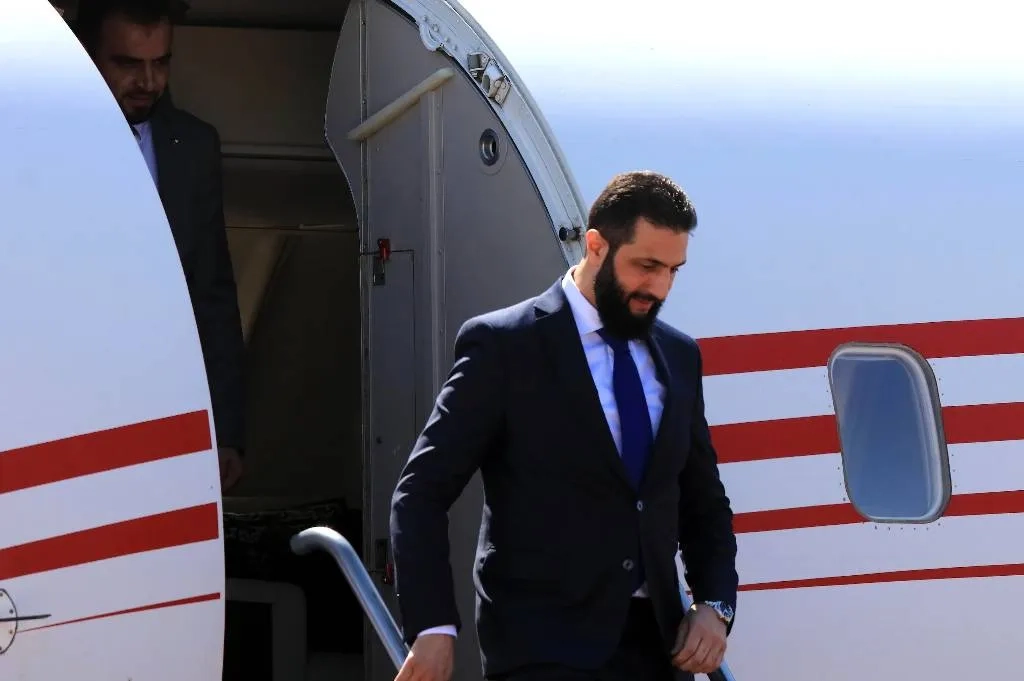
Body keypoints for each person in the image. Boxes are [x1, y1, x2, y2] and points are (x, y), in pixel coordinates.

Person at [389, 170, 739, 681]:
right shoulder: (504, 346)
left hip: (658, 651)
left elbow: (704, 502)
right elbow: (421, 491)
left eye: (673, 270)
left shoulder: (679, 356)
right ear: (595, 246)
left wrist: (715, 604)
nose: (660, 287)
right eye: (646, 266)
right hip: (542, 649)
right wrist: (433, 626)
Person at [74, 0, 246, 490]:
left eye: (161, 62)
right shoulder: (37, 141)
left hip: (163, 404)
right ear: (88, 55)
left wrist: (226, 431)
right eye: (128, 63)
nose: (148, 82)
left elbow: (211, 295)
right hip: (64, 402)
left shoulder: (194, 146)